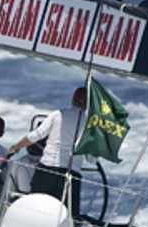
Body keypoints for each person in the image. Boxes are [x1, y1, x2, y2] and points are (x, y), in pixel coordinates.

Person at [7, 87, 90, 218]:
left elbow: (36, 135)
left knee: (35, 210)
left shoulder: (57, 114)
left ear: (73, 100)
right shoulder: (90, 124)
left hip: (47, 171)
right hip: (70, 176)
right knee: (69, 218)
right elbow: (92, 159)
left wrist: (16, 147)